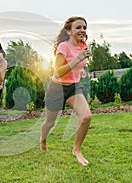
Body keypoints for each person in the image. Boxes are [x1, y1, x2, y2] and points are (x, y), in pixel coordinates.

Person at [40, 16, 92, 167]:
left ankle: (76, 150)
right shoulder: (63, 47)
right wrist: (76, 60)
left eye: (84, 27)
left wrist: (80, 71)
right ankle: (43, 140)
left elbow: (79, 64)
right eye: (78, 27)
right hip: (57, 89)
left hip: (73, 88)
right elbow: (58, 72)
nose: (82, 30)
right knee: (50, 123)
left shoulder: (83, 45)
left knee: (86, 116)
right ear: (69, 31)